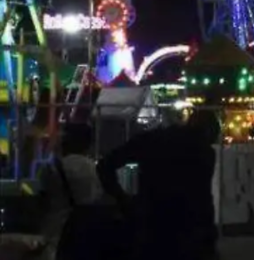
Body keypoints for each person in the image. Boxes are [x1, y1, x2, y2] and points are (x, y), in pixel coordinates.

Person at [97, 109, 220, 260]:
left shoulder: (151, 141)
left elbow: (105, 165)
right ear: (208, 132)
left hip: (151, 227)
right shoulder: (205, 153)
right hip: (191, 233)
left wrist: (122, 199)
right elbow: (203, 200)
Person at [37, 123, 104, 260]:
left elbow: (42, 202)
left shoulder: (52, 169)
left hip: (57, 234)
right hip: (88, 234)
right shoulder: (95, 169)